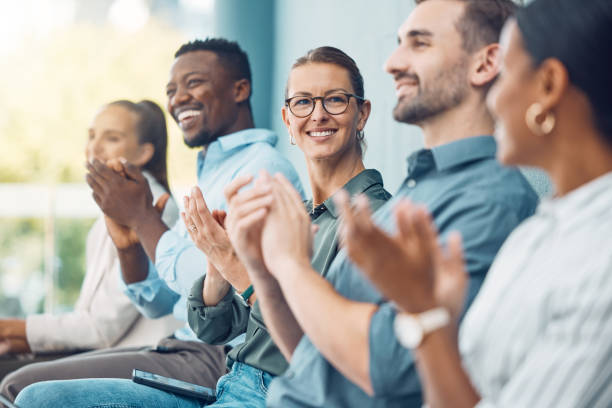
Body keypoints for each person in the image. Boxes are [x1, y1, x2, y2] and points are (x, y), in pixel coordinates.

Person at [10, 45, 392, 408]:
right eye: (303, 102)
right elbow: (217, 328)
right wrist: (215, 266)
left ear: (361, 114)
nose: (318, 114)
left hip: (276, 392)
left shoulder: (374, 220)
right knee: (36, 398)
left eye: (335, 100)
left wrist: (231, 262)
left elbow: (322, 351)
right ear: (288, 120)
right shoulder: (295, 211)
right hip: (231, 377)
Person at [224, 0, 539, 407]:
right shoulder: (414, 192)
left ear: (485, 63)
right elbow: (312, 353)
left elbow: (391, 369)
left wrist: (289, 264)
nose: (392, 63)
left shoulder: (492, 200)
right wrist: (263, 272)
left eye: (419, 44)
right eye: (399, 44)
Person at [340, 0, 612, 406]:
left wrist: (422, 315)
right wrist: (432, 317)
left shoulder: (599, 260)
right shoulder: (539, 231)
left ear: (550, 86)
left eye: (505, 78)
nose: (493, 100)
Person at [0, 100, 181, 379]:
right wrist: (21, 339)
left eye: (112, 138)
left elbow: (101, 330)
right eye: (92, 135)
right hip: (104, 354)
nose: (94, 148)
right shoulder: (107, 215)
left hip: (134, 363)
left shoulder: (156, 209)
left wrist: (10, 328)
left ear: (144, 152)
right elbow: (93, 322)